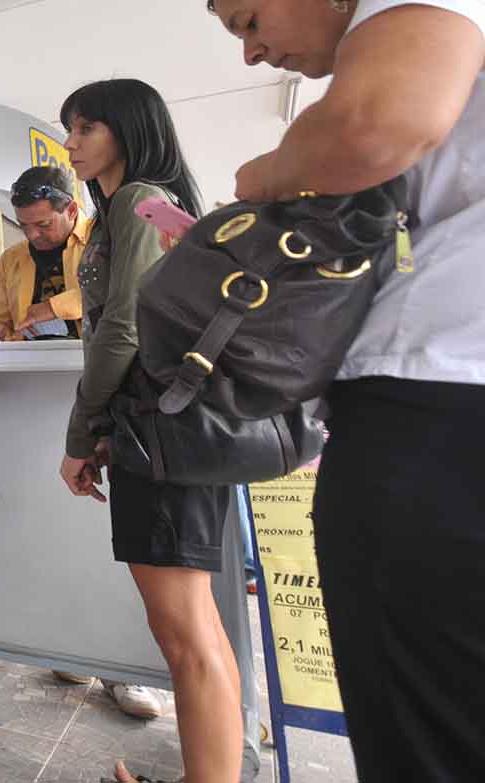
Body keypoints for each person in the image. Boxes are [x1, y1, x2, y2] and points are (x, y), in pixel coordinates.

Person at [202, 1, 485, 778]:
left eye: (250, 19)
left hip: (437, 411)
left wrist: (259, 178)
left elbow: (369, 124)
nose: (255, 54)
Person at [53, 79, 240, 783]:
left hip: (160, 438)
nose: (71, 142)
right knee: (195, 630)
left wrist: (80, 431)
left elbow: (121, 327)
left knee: (185, 634)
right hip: (178, 434)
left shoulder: (135, 201)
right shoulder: (159, 200)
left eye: (84, 128)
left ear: (127, 131)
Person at [0, 166, 89, 343]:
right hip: (30, 364)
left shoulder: (103, 239)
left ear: (72, 211)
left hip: (97, 360)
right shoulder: (11, 259)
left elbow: (118, 293)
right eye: (23, 225)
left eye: (43, 225)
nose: (32, 235)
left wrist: (52, 308)